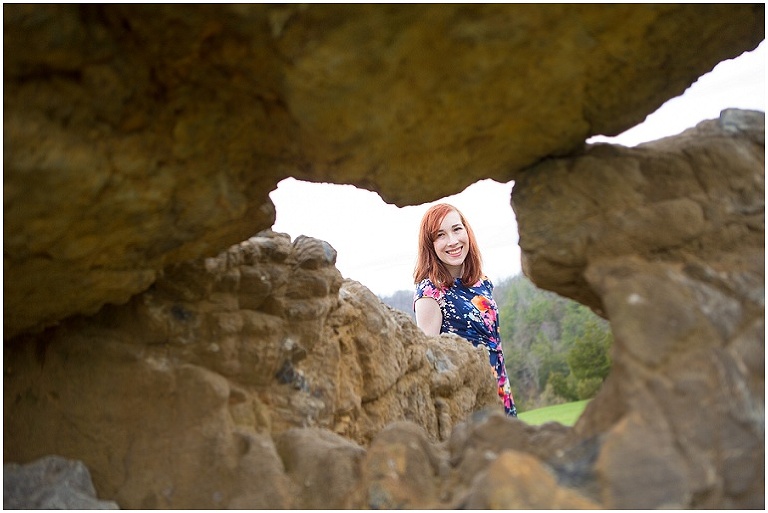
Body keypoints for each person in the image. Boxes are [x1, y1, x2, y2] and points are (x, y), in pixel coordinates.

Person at [413, 203, 517, 417]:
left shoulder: (481, 283)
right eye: (440, 235)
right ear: (430, 245)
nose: (452, 241)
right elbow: (427, 361)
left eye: (457, 229)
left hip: (499, 389)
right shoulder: (430, 292)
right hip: (468, 403)